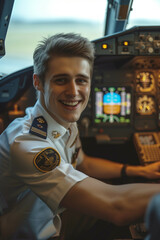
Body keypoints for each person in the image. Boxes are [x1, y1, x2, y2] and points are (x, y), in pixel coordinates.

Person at [0, 32, 160, 240]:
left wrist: (140, 171)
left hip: (56, 216)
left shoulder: (62, 119)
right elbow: (116, 206)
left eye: (81, 80)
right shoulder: (27, 143)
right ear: (38, 82)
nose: (74, 91)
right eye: (61, 80)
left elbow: (84, 164)